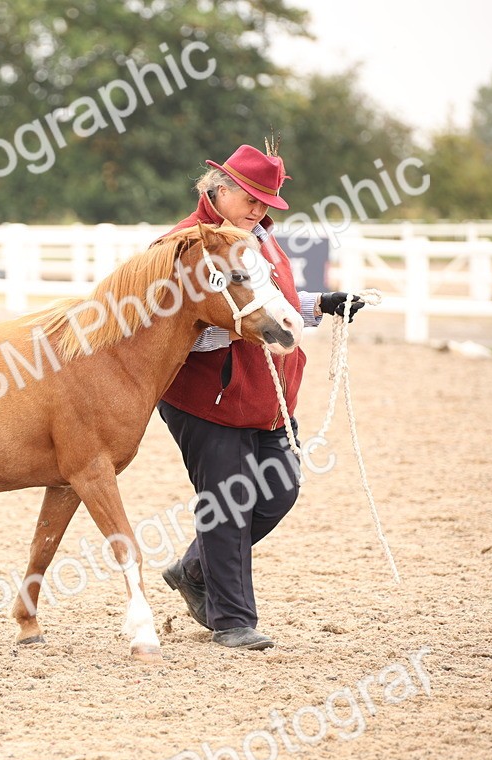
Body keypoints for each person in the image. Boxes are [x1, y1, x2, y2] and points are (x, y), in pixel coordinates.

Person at [158, 142, 364, 650]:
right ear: (218, 189)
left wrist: (320, 305)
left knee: (280, 491)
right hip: (211, 395)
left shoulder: (259, 240)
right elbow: (168, 327)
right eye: (250, 198)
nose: (259, 209)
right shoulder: (184, 246)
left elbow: (275, 303)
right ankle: (233, 621)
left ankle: (192, 570)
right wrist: (242, 328)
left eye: (266, 201)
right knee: (228, 504)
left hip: (265, 395)